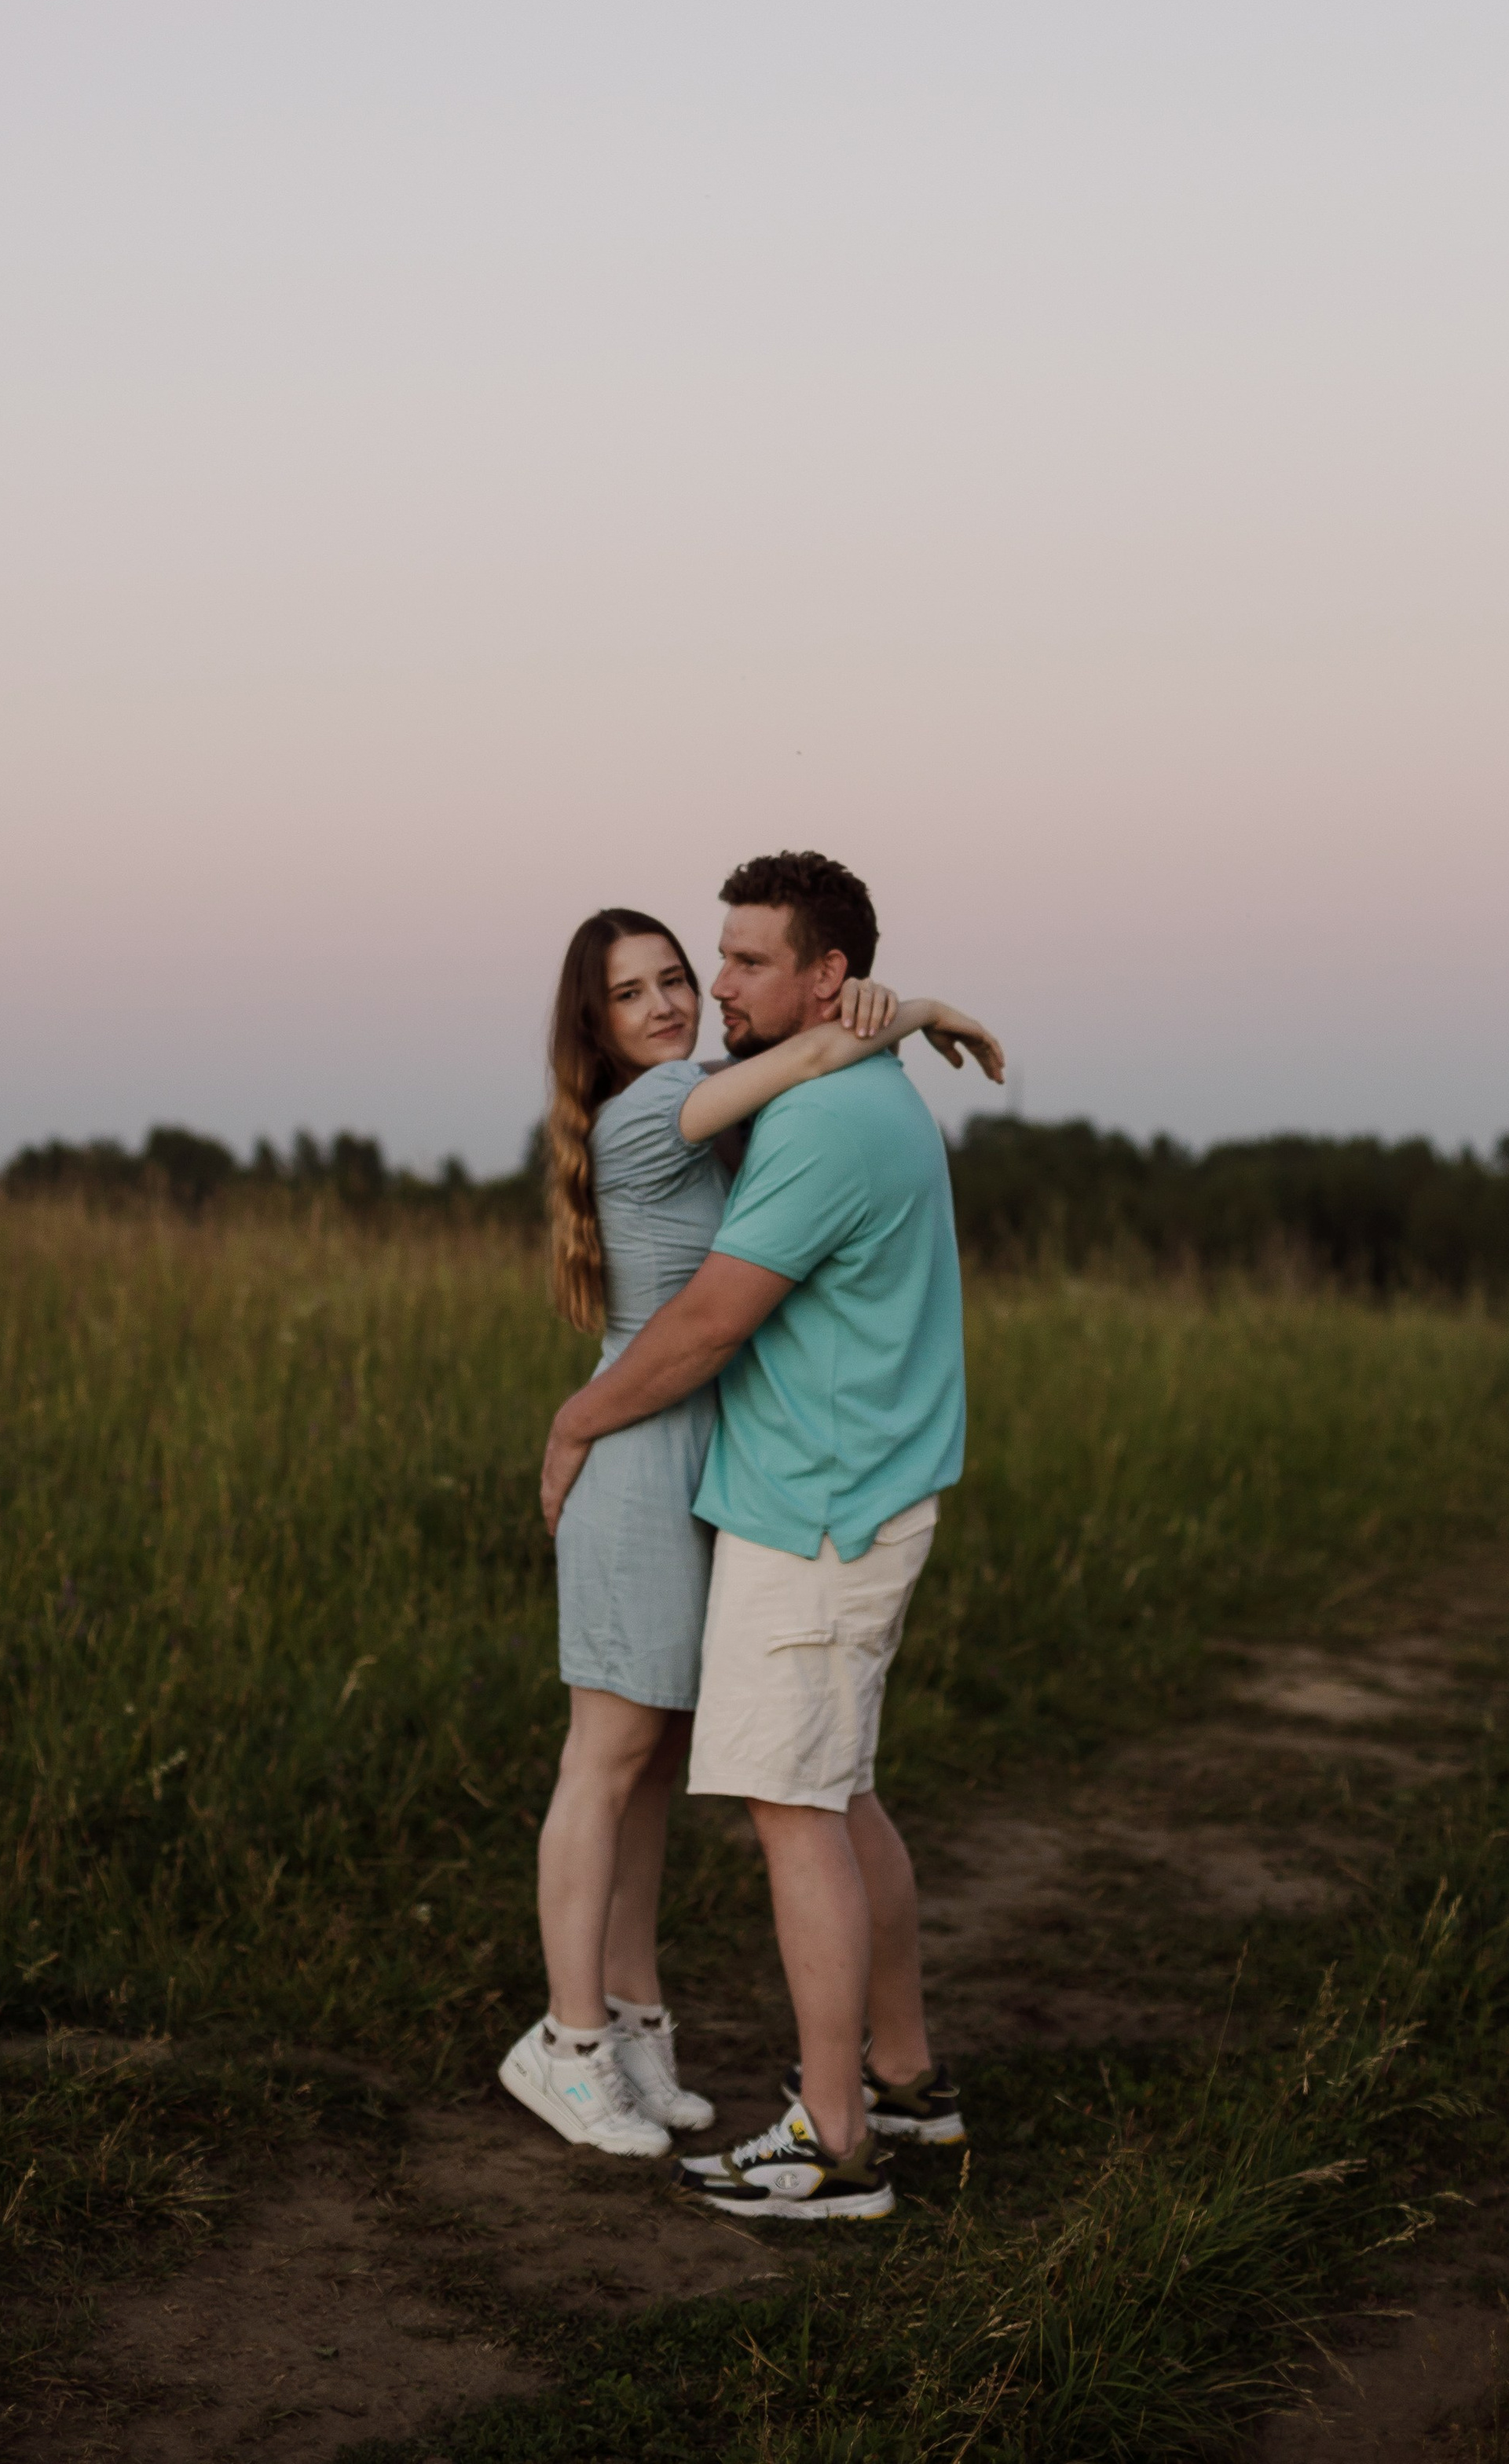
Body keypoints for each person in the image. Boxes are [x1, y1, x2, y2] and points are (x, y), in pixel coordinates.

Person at [537, 852, 1000, 2217]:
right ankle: (903, 2080)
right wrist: (907, 1018)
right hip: (843, 1491)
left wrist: (572, 1423)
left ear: (824, 980)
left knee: (797, 1809)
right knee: (837, 1792)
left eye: (733, 964)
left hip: (816, 1509)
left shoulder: (818, 1118)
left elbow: (708, 1323)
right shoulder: (848, 1087)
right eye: (691, 967)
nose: (708, 989)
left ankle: (833, 2138)